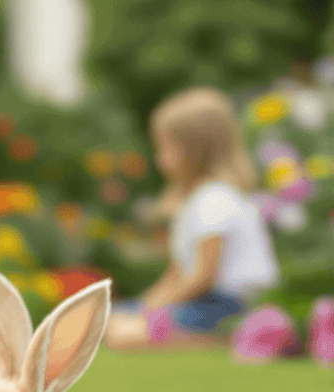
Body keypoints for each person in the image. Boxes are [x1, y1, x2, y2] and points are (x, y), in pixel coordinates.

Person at [105, 87, 280, 351]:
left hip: (229, 303)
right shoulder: (198, 201)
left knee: (123, 335)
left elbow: (203, 278)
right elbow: (177, 273)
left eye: (165, 147)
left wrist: (150, 310)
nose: (159, 158)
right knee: (111, 317)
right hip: (207, 300)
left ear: (193, 151)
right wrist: (145, 306)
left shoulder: (215, 199)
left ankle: (227, 339)